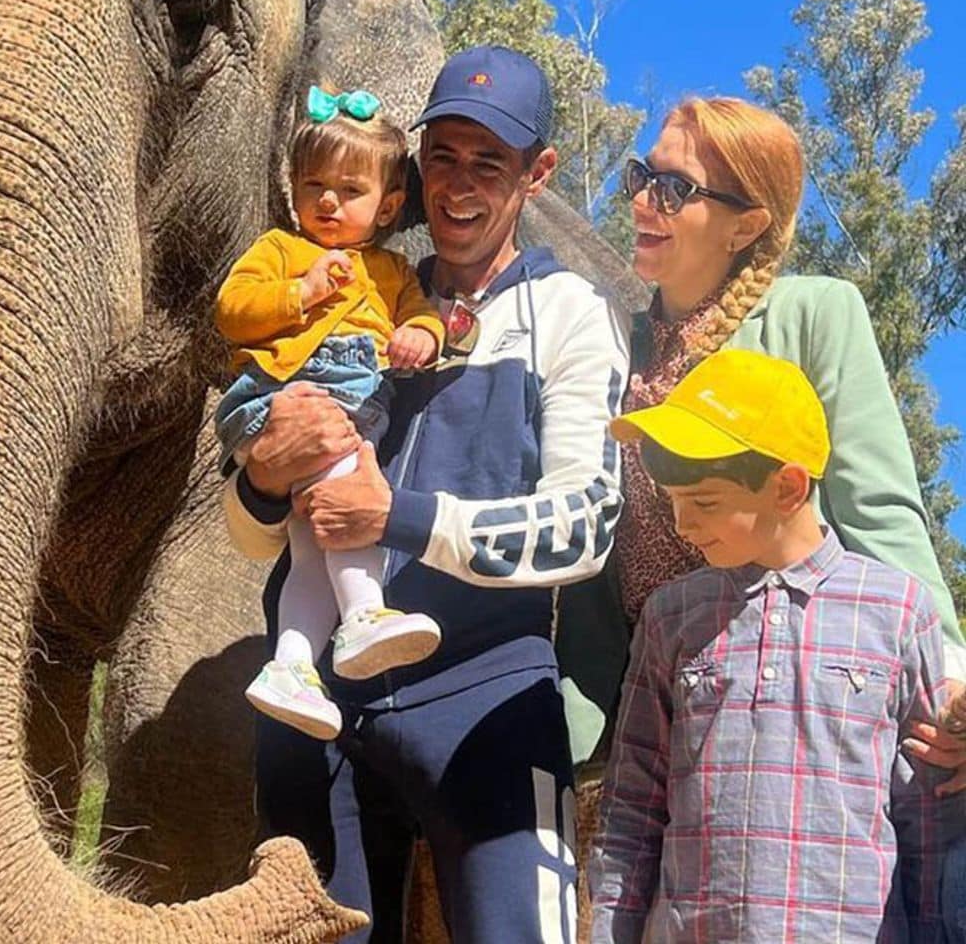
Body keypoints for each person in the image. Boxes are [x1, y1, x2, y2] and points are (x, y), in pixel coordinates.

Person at [223, 46, 631, 941]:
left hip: (488, 695)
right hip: (318, 701)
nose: (459, 185)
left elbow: (586, 527)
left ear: (538, 174)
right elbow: (254, 539)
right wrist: (261, 476)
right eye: (442, 156)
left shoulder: (571, 314)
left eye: (489, 163)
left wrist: (397, 519)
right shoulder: (359, 287)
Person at [555, 95, 966, 787]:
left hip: (787, 688)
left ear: (745, 225)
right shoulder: (608, 338)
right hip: (631, 703)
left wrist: (948, 675)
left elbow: (878, 506)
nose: (644, 202)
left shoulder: (814, 315)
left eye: (675, 188)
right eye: (641, 177)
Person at [589, 348, 964, 943]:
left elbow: (925, 813)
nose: (682, 524)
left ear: (787, 486)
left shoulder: (898, 611)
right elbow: (633, 803)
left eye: (703, 501)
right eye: (672, 501)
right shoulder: (671, 615)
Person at [213, 85, 446, 740]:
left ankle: (291, 665)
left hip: (350, 406)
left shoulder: (394, 271)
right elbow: (232, 311)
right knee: (347, 499)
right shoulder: (280, 251)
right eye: (313, 185)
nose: (328, 201)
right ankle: (365, 613)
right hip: (278, 397)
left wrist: (422, 337)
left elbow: (422, 316)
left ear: (389, 206)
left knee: (312, 544)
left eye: (349, 190)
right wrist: (299, 292)